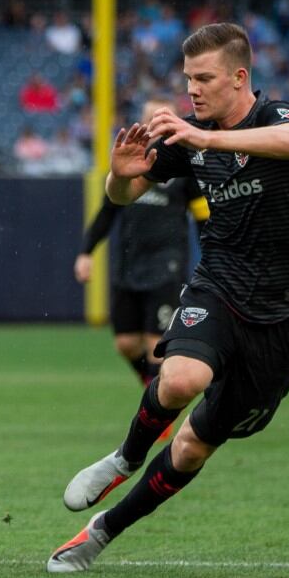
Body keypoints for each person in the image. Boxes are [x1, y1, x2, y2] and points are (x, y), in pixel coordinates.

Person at [49, 23, 289, 572]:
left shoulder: (275, 119)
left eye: (205, 78)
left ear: (240, 77)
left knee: (194, 447)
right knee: (179, 379)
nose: (193, 90)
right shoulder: (186, 138)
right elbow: (125, 191)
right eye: (188, 79)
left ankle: (102, 531)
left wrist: (206, 138)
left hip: (286, 313)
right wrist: (119, 178)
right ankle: (124, 457)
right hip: (220, 282)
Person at [74, 98, 210, 386]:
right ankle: (153, 386)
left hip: (166, 264)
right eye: (152, 118)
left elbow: (202, 217)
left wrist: (212, 259)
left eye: (164, 118)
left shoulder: (183, 167)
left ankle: (158, 414)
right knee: (125, 343)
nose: (158, 125)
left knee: (156, 345)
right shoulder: (128, 163)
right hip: (129, 263)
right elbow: (107, 211)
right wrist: (86, 252)